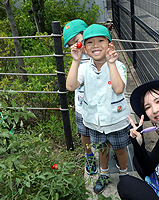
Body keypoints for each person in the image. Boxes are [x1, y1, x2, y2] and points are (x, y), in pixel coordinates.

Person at [66, 24, 131, 194]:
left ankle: (124, 174)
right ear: (85, 49)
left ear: (110, 44)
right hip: (95, 121)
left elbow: (118, 89)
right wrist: (75, 60)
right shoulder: (84, 68)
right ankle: (104, 174)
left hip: (115, 120)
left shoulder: (119, 66)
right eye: (90, 43)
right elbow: (71, 85)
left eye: (101, 40)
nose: (95, 45)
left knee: (120, 149)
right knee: (102, 149)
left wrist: (111, 63)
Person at [63, 19, 97, 175]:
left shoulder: (96, 51)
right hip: (82, 104)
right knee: (85, 133)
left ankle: (113, 154)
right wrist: (75, 59)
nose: (75, 45)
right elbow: (71, 83)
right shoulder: (77, 58)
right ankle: (89, 154)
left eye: (77, 40)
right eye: (72, 43)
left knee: (105, 131)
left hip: (99, 103)